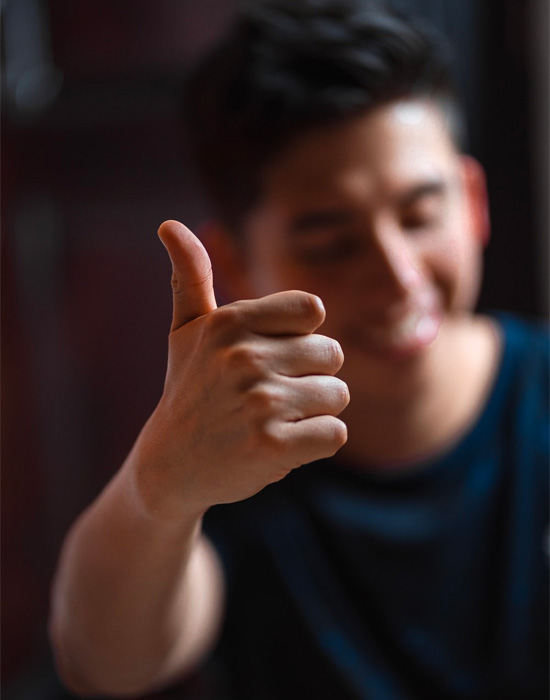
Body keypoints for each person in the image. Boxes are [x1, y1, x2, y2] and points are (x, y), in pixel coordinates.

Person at [49, 0, 549, 698]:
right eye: (332, 243)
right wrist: (158, 490)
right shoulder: (225, 454)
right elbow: (105, 665)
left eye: (420, 214)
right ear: (238, 262)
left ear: (473, 200)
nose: (398, 278)